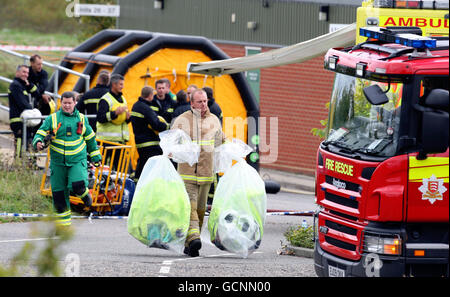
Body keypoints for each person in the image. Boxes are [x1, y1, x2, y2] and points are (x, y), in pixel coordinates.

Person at [33, 91, 102, 228]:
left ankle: (85, 195)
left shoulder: (82, 119)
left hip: (77, 160)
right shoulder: (52, 119)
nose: (67, 106)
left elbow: (90, 139)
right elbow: (40, 132)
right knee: (59, 196)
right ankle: (63, 227)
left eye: (70, 103)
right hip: (58, 163)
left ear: (75, 103)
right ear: (61, 103)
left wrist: (95, 156)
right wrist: (38, 142)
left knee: (77, 185)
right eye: (64, 103)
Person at [171, 89, 226, 257]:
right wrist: (173, 151)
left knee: (201, 209)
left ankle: (191, 243)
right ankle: (194, 237)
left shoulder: (214, 120)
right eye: (200, 102)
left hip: (206, 173)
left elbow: (220, 141)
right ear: (191, 103)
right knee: (190, 207)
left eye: (205, 101)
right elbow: (172, 142)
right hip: (187, 173)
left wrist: (229, 148)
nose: (203, 105)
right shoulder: (182, 120)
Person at [130, 86, 169, 180]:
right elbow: (156, 124)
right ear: (150, 95)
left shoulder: (136, 106)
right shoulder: (145, 108)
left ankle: (137, 182)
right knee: (152, 166)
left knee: (143, 163)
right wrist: (167, 126)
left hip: (140, 142)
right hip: (150, 144)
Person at [96, 74, 130, 170]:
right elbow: (100, 118)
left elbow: (123, 121)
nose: (122, 86)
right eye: (120, 84)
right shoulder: (105, 99)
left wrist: (128, 118)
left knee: (119, 169)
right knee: (102, 168)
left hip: (119, 142)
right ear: (114, 85)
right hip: (106, 141)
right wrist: (115, 113)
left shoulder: (123, 99)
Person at [8, 65, 38, 158]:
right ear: (17, 73)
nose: (26, 74)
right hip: (18, 120)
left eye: (27, 73)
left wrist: (30, 85)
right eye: (23, 72)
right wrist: (33, 111)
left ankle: (30, 163)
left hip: (25, 119)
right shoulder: (15, 85)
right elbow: (22, 103)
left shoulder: (23, 85)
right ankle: (18, 164)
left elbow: (37, 94)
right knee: (20, 141)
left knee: (28, 141)